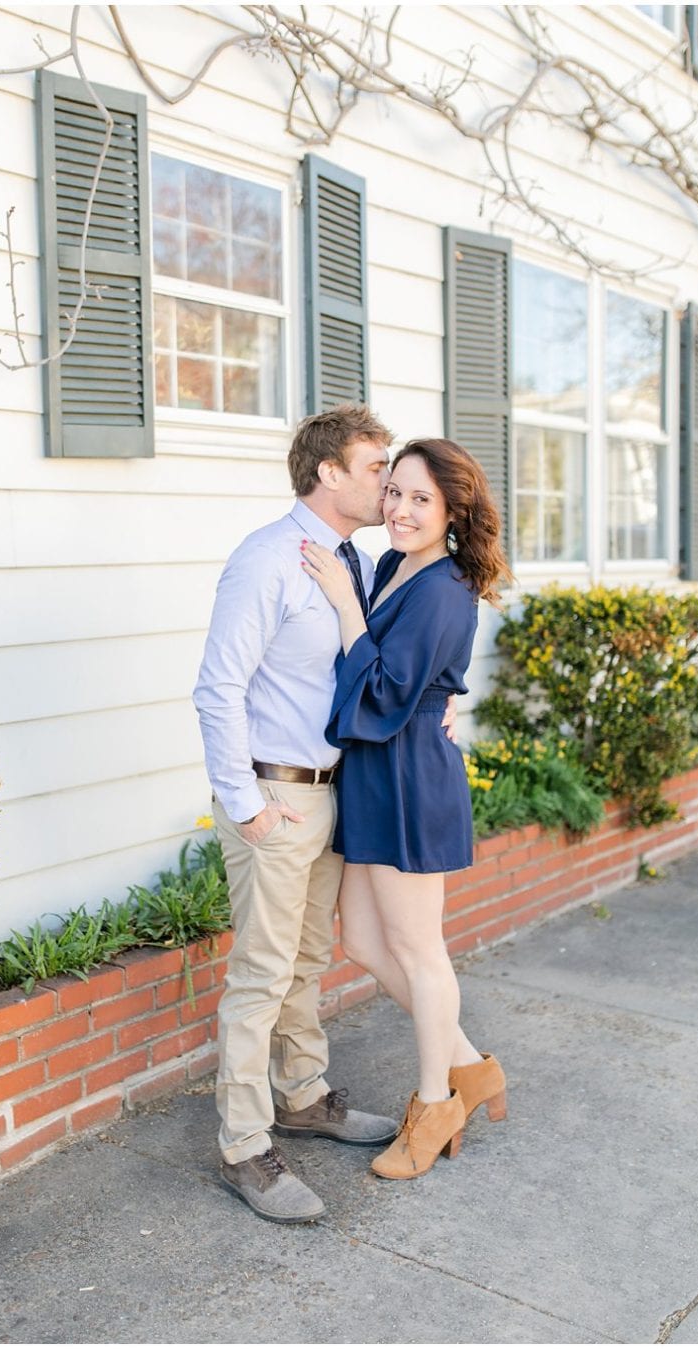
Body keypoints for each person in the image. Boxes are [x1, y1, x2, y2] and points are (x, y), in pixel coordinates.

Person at [193, 404, 455, 1225]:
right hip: (276, 796)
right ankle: (244, 1145)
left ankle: (303, 1095)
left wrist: (445, 707)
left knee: (307, 962)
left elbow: (389, 668)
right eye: (378, 468)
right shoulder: (266, 560)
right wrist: (247, 806)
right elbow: (218, 688)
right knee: (262, 976)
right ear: (328, 474)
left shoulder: (364, 563)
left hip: (334, 793)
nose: (390, 485)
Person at [299, 437, 513, 1180]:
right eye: (394, 491)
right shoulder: (392, 566)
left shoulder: (447, 585)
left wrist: (342, 604)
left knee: (422, 951)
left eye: (421, 498)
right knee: (361, 936)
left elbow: (389, 689)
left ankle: (435, 1103)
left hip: (410, 774)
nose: (400, 509)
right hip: (373, 772)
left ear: (453, 508)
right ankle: (467, 1065)